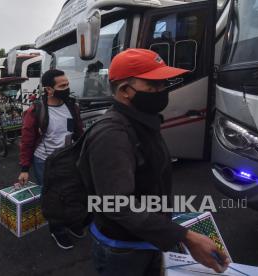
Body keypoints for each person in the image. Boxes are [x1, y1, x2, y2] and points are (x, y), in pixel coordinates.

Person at [78, 49, 230, 275]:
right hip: (124, 250)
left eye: (164, 84)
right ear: (125, 91)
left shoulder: (141, 121)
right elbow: (116, 204)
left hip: (149, 237)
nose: (163, 91)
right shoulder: (112, 134)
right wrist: (184, 236)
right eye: (154, 85)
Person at [18, 69, 84, 250]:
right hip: (45, 162)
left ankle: (71, 222)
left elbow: (78, 132)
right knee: (52, 197)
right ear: (49, 89)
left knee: (71, 192)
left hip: (68, 159)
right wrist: (24, 168)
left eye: (67, 84)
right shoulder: (36, 111)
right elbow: (26, 141)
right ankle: (57, 229)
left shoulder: (72, 106)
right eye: (62, 85)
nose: (67, 88)